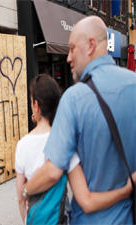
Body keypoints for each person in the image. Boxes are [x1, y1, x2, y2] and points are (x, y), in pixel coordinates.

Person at [24, 15, 136, 224]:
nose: (68, 57)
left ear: (91, 45)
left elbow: (52, 171)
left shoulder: (73, 99)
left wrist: (25, 190)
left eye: (72, 48)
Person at [16, 74, 135, 224]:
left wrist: (27, 219)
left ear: (36, 105)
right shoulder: (65, 142)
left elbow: (21, 198)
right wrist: (125, 191)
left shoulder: (22, 146)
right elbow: (85, 199)